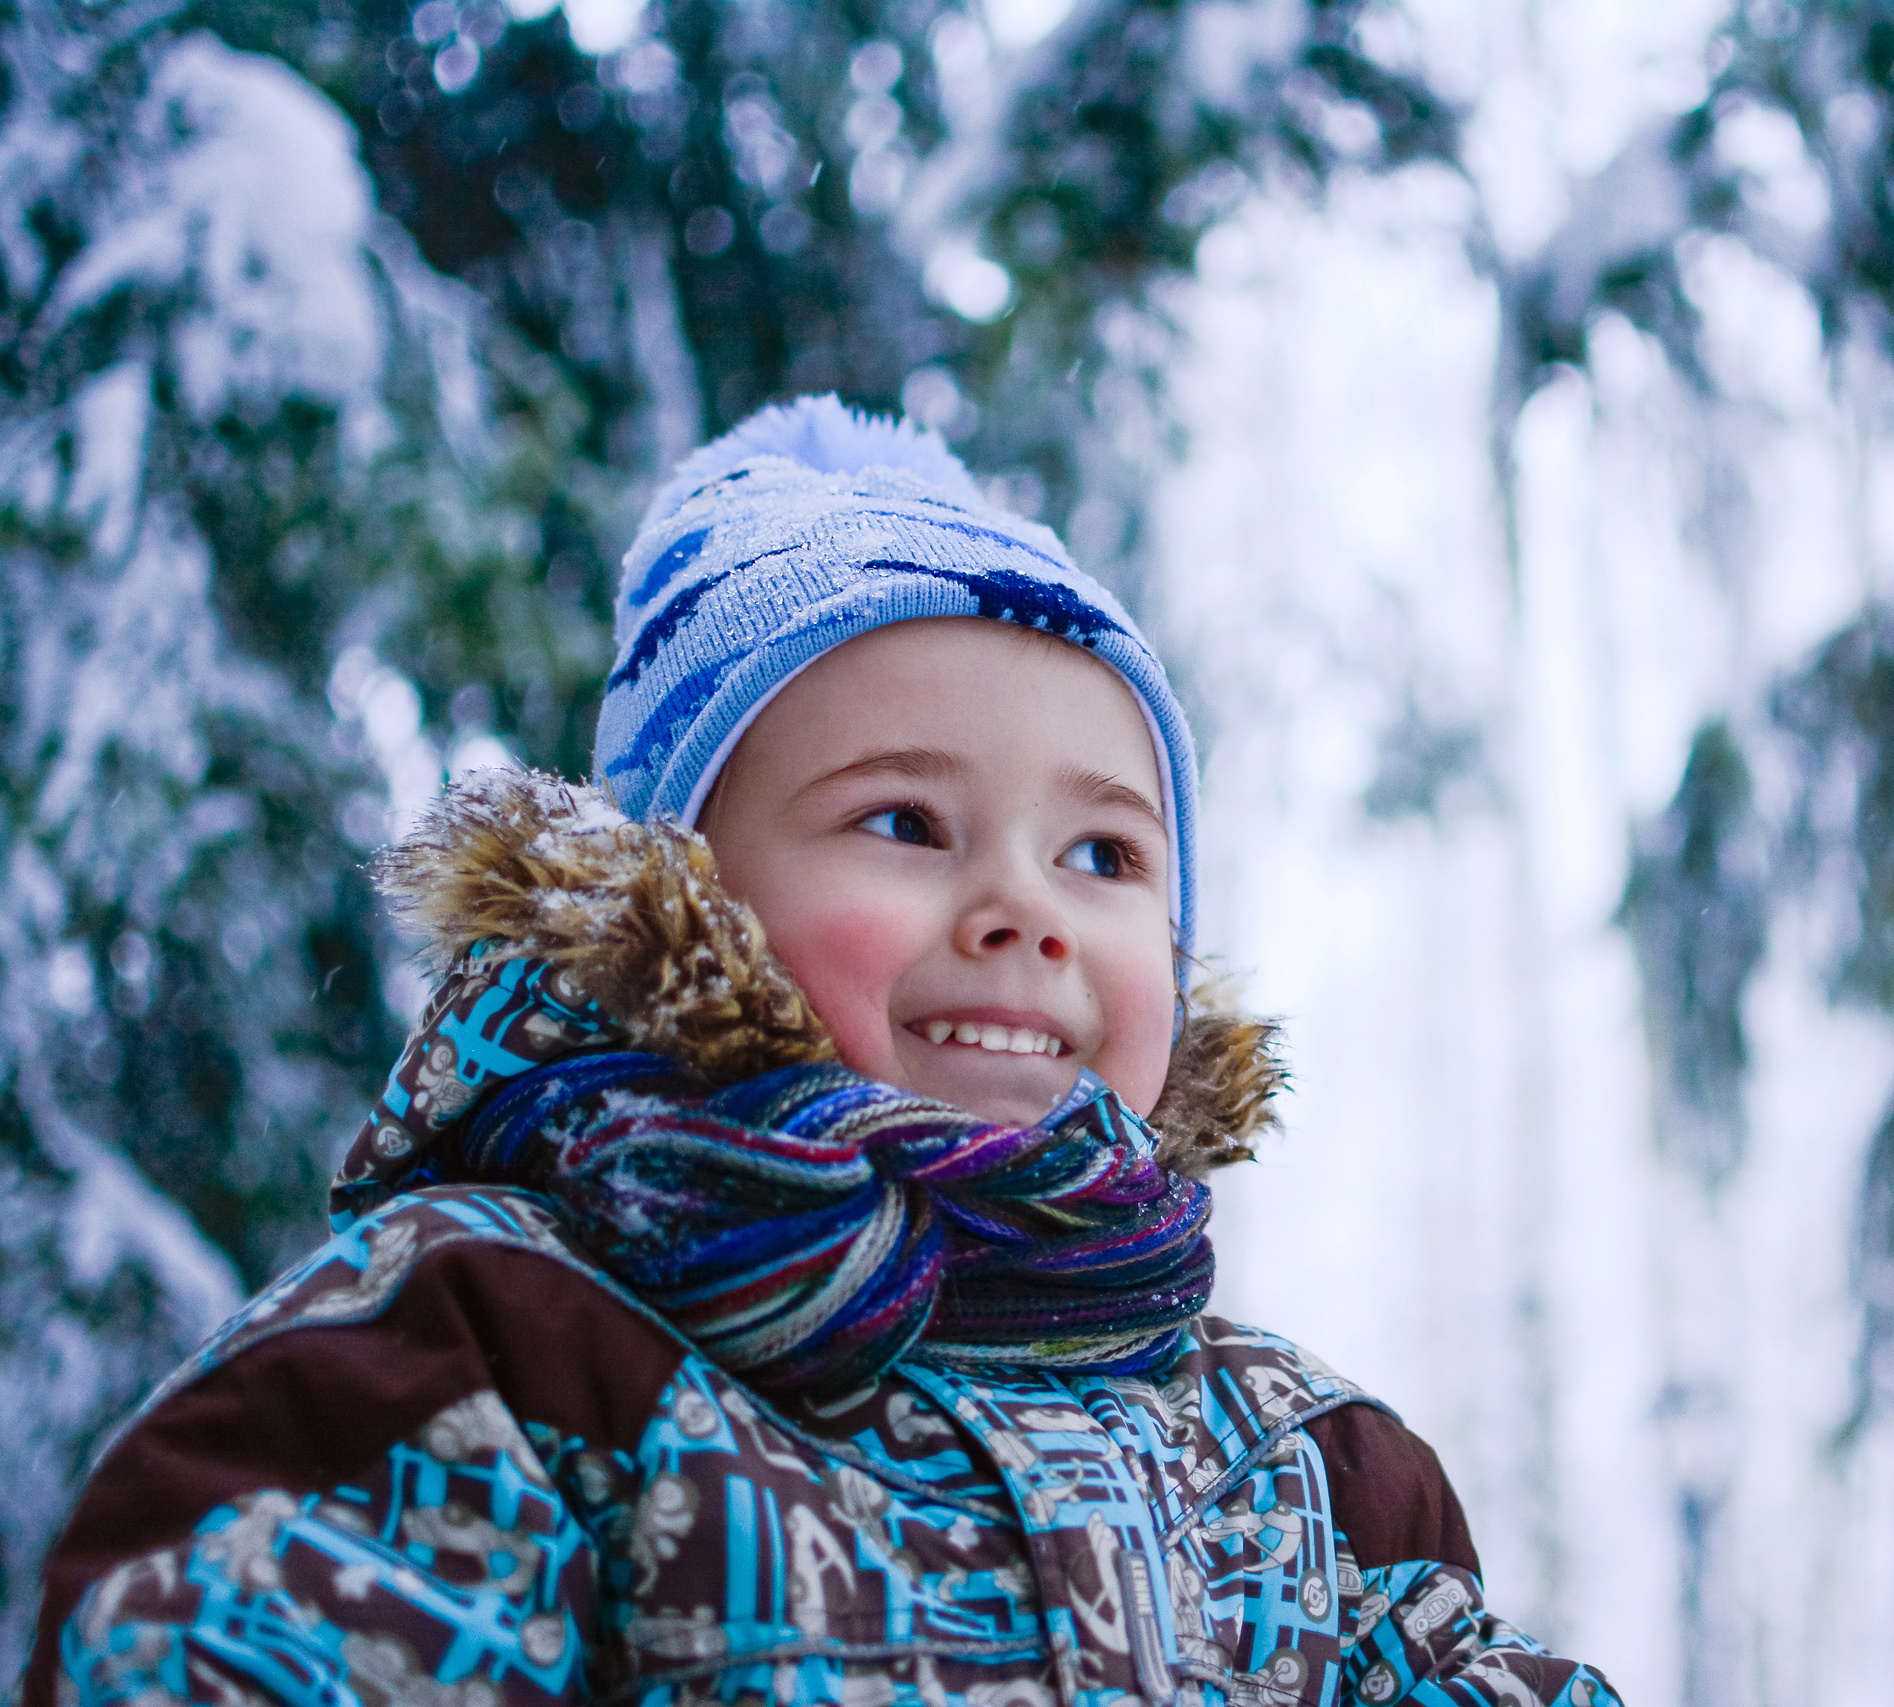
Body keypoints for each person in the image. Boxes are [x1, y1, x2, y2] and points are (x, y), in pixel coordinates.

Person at [26, 400, 1620, 1707]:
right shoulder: (496, 1346)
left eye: (1106, 857)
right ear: (678, 900)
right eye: (907, 824)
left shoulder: (1308, 1474)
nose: (1023, 908)